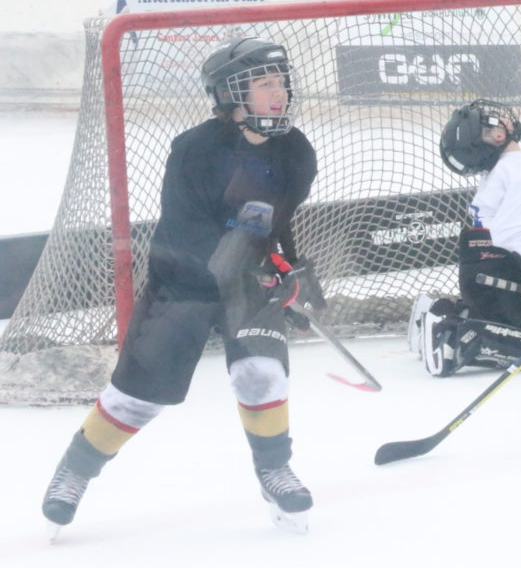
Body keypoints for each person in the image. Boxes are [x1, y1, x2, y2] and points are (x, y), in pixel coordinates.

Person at [40, 37, 320, 536]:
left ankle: (273, 469)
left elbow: (277, 222)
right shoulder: (196, 148)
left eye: (281, 81)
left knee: (262, 373)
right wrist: (260, 262)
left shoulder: (296, 151)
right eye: (264, 83)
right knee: (138, 398)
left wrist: (292, 271)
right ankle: (74, 472)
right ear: (232, 95)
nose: (279, 93)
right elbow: (190, 232)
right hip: (183, 283)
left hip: (245, 285)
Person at [409, 99, 521, 376]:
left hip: (487, 282)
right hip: (509, 285)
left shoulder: (500, 172)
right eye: (490, 122)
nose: (501, 119)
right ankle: (455, 339)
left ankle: (444, 316)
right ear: (497, 135)